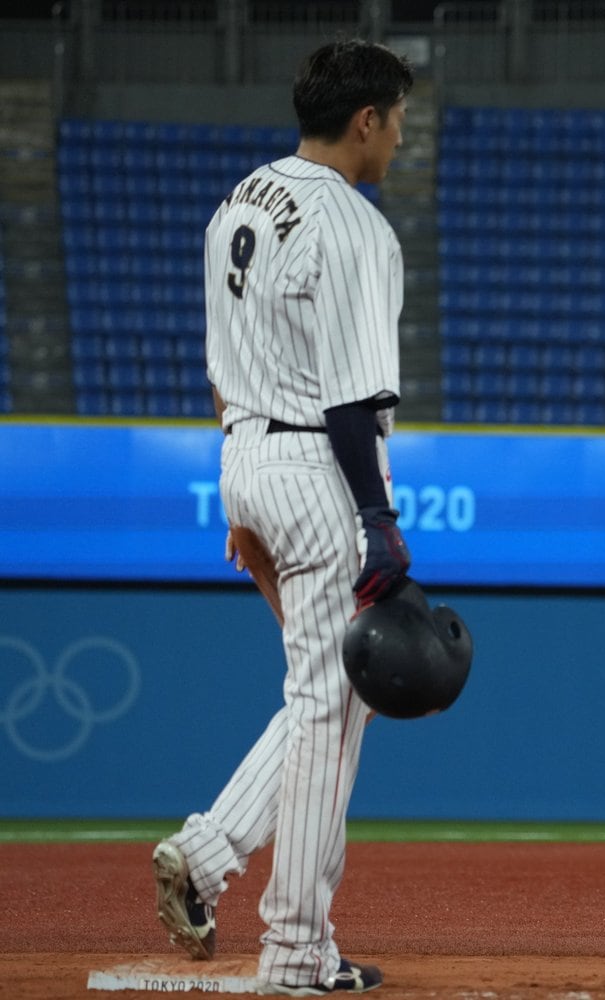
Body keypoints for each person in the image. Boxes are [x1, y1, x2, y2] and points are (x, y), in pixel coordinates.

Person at [151, 39, 416, 995]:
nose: (401, 136)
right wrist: (378, 519)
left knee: (328, 697)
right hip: (314, 465)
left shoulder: (240, 201)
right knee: (331, 705)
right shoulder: (353, 225)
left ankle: (208, 852)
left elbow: (224, 359)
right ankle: (297, 947)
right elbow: (350, 400)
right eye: (398, 118)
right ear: (365, 120)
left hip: (246, 451)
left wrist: (244, 489)